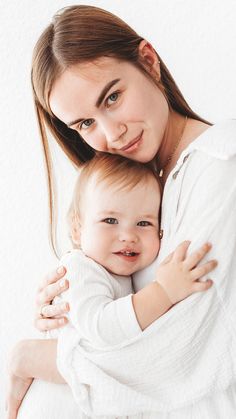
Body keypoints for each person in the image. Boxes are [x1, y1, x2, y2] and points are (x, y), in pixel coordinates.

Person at [6, 4, 236, 419]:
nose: (110, 134)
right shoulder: (132, 188)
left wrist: (39, 356)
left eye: (112, 97)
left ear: (149, 62)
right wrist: (73, 300)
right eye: (84, 124)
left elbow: (178, 357)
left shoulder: (222, 167)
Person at [6, 153, 215, 418]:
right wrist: (164, 291)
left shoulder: (116, 273)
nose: (128, 235)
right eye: (110, 221)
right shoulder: (78, 268)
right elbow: (102, 328)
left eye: (144, 223)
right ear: (77, 230)